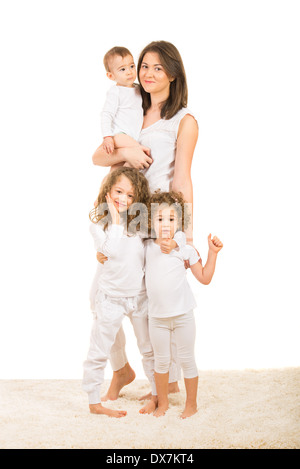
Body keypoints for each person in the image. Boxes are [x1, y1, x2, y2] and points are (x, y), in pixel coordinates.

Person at [92, 40, 199, 401]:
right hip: (121, 219)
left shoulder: (183, 120)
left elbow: (181, 179)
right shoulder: (132, 109)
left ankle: (163, 382)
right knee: (100, 298)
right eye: (144, 66)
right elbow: (97, 157)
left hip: (155, 224)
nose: (148, 74)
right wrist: (132, 149)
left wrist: (186, 236)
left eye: (157, 67)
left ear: (172, 73)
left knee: (149, 303)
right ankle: (123, 369)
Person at [82, 167, 157, 418]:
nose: (123, 198)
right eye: (118, 191)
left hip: (139, 297)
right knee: (99, 349)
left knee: (148, 349)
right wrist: (115, 220)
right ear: (108, 191)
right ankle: (94, 402)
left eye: (130, 195)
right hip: (110, 298)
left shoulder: (140, 225)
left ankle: (157, 395)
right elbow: (110, 251)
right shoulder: (100, 224)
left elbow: (153, 250)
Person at [145, 191, 223, 418]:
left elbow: (205, 278)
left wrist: (212, 253)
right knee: (161, 362)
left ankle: (191, 403)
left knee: (187, 358)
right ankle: (162, 403)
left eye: (171, 219)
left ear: (179, 221)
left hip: (182, 316)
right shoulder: (147, 248)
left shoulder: (185, 250)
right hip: (157, 318)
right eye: (160, 219)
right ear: (151, 221)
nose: (166, 224)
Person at [100, 46, 146, 157]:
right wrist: (107, 137)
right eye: (123, 69)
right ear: (111, 76)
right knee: (139, 152)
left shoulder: (139, 88)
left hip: (135, 137)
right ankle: (142, 150)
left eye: (131, 66)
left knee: (119, 169)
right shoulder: (115, 92)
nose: (129, 72)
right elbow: (106, 114)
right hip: (120, 135)